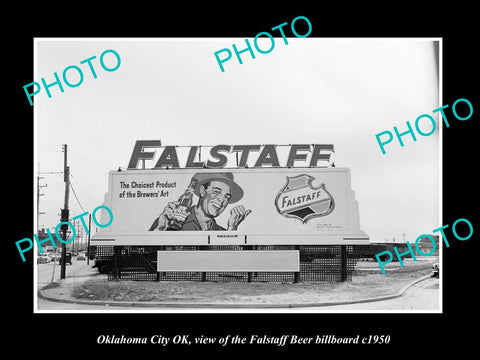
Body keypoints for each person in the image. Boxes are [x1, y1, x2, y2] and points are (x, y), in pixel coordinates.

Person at [149, 172, 251, 231]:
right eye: (216, 192)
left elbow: (228, 262)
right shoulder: (172, 219)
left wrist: (232, 228)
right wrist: (160, 228)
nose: (221, 200)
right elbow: (152, 252)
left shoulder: (223, 232)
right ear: (202, 191)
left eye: (227, 196)